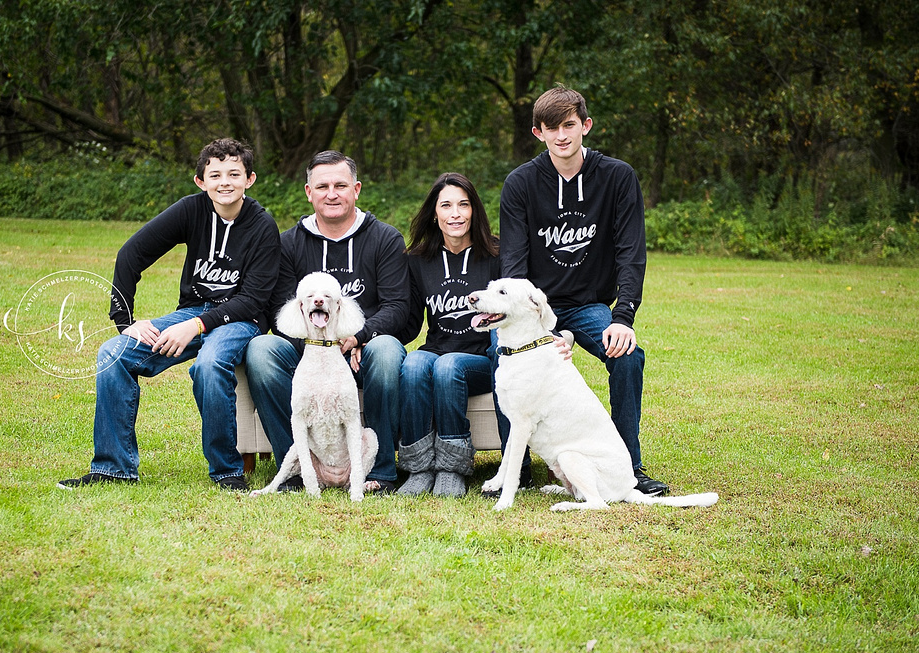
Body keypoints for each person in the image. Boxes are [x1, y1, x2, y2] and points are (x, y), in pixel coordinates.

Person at [59, 138, 280, 492]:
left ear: (249, 180)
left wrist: (194, 327)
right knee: (113, 353)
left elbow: (254, 299)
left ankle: (227, 472)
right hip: (194, 310)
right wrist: (126, 322)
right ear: (201, 181)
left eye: (234, 174)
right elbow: (130, 254)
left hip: (241, 320)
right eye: (216, 174)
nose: (225, 182)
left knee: (210, 364)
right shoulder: (190, 210)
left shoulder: (263, 227)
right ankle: (114, 468)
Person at [499, 85, 670, 496]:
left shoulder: (616, 177)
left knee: (628, 357)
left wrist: (623, 318)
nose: (562, 135)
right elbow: (514, 267)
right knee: (499, 353)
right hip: (533, 309)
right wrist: (542, 331)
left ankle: (629, 468)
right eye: (551, 127)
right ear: (538, 132)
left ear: (585, 126)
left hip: (589, 305)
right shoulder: (520, 183)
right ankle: (514, 468)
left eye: (569, 125)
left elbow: (632, 251)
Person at [245, 151, 410, 494]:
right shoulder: (289, 243)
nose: (331, 193)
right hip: (307, 351)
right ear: (308, 192)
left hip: (363, 350)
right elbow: (282, 309)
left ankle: (379, 472)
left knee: (388, 351)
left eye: (340, 185)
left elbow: (397, 306)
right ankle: (293, 468)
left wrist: (356, 337)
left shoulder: (385, 238)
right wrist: (319, 346)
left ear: (357, 189)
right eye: (322, 186)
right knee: (261, 350)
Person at [396, 173, 502, 498]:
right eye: (446, 205)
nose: (455, 213)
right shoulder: (417, 260)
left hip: (482, 360)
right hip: (437, 348)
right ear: (434, 213)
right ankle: (418, 468)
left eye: (463, 205)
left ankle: (451, 468)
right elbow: (411, 324)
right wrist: (365, 335)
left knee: (449, 366)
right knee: (414, 363)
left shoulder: (497, 255)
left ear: (474, 211)